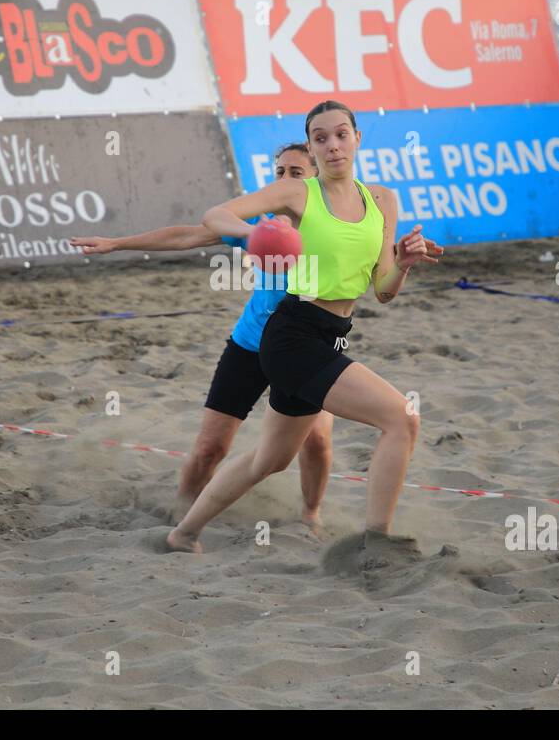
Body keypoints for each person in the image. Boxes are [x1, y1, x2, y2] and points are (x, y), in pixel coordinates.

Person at [167, 100, 442, 553]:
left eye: (340, 134)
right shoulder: (299, 194)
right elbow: (215, 215)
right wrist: (257, 236)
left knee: (269, 460)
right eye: (321, 138)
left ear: (357, 138)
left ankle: (184, 534)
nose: (332, 145)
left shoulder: (383, 200)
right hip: (293, 333)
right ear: (312, 150)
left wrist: (405, 263)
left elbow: (384, 291)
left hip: (331, 335)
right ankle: (377, 545)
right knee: (401, 419)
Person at [71, 144, 335, 526]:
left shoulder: (330, 228)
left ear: (316, 178)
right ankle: (183, 510)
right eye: (279, 171)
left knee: (318, 440)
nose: (285, 179)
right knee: (211, 448)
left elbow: (374, 258)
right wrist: (116, 243)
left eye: (296, 172)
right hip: (251, 344)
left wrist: (403, 255)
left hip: (306, 349)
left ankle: (310, 515)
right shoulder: (261, 228)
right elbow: (188, 236)